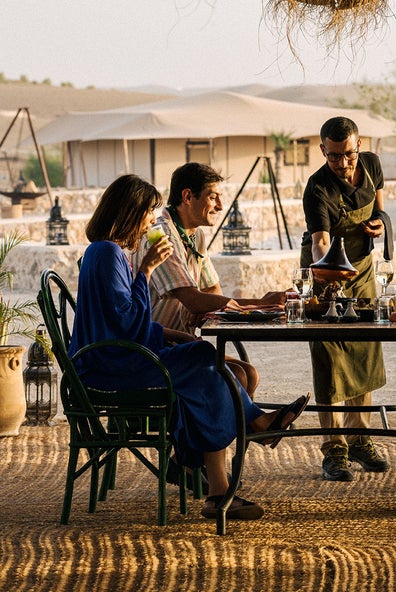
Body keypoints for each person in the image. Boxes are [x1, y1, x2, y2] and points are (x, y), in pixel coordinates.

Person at [70, 174, 309, 521]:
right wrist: (148, 270)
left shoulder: (109, 253)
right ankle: (247, 432)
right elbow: (125, 322)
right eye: (149, 211)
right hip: (109, 368)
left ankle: (209, 480)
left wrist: (171, 334)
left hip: (115, 358)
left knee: (207, 371)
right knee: (204, 360)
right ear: (131, 211)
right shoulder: (107, 253)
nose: (152, 219)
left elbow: (122, 321)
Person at [301, 116, 389, 482]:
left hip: (364, 266)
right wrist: (328, 275)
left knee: (364, 349)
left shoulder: (371, 164)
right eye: (334, 156)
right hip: (326, 270)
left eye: (348, 154)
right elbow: (321, 240)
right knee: (330, 356)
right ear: (323, 150)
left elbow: (380, 208)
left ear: (359, 145)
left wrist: (380, 223)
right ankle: (334, 449)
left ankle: (360, 439)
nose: (342, 163)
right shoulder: (317, 188)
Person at [130, 162, 259, 396]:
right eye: (213, 197)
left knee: (249, 373)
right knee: (237, 375)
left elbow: (212, 291)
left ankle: (247, 429)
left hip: (182, 341)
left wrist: (254, 305)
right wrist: (259, 305)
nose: (220, 206)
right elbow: (192, 299)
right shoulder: (160, 235)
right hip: (154, 345)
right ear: (188, 196)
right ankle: (241, 429)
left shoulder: (195, 235)